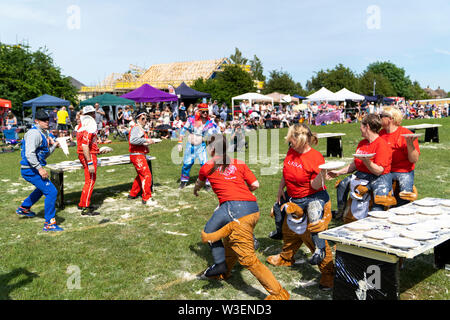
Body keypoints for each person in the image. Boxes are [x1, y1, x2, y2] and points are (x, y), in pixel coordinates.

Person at [195, 134, 290, 300]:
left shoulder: (207, 167)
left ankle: (279, 294)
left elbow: (200, 183)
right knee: (230, 241)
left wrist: (195, 189)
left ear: (211, 149)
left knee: (246, 258)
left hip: (235, 212)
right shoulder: (239, 163)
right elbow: (255, 185)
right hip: (252, 209)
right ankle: (223, 271)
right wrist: (241, 194)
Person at [268, 124, 332, 266]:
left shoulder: (315, 157)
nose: (289, 142)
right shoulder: (292, 152)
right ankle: (280, 236)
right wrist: (280, 189)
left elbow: (315, 186)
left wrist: (322, 174)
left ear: (301, 140)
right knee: (277, 209)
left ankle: (319, 250)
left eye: (291, 139)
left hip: (313, 196)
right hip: (293, 195)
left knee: (315, 221)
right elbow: (286, 172)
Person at [329, 114, 395, 222]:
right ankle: (341, 212)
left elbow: (379, 171)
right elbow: (355, 164)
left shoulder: (382, 145)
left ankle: (375, 220)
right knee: (342, 184)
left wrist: (367, 161)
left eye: (361, 125)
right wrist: (338, 172)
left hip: (380, 177)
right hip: (362, 174)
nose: (360, 128)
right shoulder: (362, 143)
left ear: (367, 126)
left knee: (379, 199)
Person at [17, 109, 63, 231]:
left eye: (48, 120)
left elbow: (43, 155)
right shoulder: (34, 133)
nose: (47, 122)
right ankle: (49, 224)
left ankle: (24, 208)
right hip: (30, 169)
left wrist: (54, 146)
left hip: (33, 168)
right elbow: (29, 154)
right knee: (51, 192)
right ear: (36, 121)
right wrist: (40, 169)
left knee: (43, 189)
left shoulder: (42, 132)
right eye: (43, 120)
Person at [379, 107, 420, 206]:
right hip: (385, 170)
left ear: (390, 119)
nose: (379, 118)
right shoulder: (380, 134)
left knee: (404, 198)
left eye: (381, 116)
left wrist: (410, 144)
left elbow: (414, 159)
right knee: (379, 196)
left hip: (403, 171)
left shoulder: (406, 134)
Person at [177, 103, 219, 189]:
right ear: (199, 112)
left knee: (204, 164)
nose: (205, 113)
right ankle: (184, 181)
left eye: (206, 112)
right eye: (203, 112)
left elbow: (211, 135)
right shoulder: (191, 120)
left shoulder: (209, 123)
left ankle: (207, 183)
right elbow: (183, 130)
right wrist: (180, 143)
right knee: (187, 164)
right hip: (190, 146)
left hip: (201, 147)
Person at [127, 109, 156, 205]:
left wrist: (147, 142)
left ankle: (132, 194)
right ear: (138, 119)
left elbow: (139, 141)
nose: (145, 120)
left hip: (138, 154)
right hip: (137, 155)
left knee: (141, 176)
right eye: (143, 118)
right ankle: (146, 198)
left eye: (146, 118)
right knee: (146, 175)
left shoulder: (139, 128)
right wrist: (146, 141)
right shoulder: (136, 128)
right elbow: (133, 140)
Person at [76, 105, 100, 216]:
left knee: (88, 180)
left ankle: (82, 203)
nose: (94, 115)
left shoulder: (82, 124)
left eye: (93, 113)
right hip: (88, 155)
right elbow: (85, 145)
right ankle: (85, 207)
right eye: (91, 113)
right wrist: (90, 162)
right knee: (90, 181)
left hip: (85, 154)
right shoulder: (89, 125)